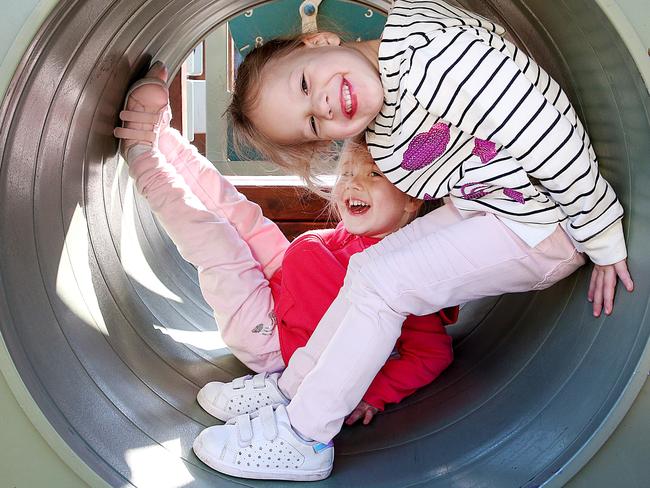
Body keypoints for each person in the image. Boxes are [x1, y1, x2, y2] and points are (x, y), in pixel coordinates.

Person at [184, 0, 635, 481]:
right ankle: (296, 387)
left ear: (318, 40)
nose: (326, 105)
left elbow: (549, 135)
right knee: (366, 270)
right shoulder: (391, 87)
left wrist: (602, 232)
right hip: (497, 202)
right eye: (313, 123)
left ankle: (304, 437)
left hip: (545, 227)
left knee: (383, 283)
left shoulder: (430, 60)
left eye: (304, 84)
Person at [113, 64, 458, 481]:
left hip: (274, 339)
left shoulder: (409, 270)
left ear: (412, 200)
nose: (353, 184)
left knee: (217, 242)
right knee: (241, 213)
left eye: (375, 175)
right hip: (285, 295)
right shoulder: (351, 236)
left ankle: (141, 155)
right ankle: (164, 138)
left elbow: (432, 354)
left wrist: (371, 394)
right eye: (347, 172)